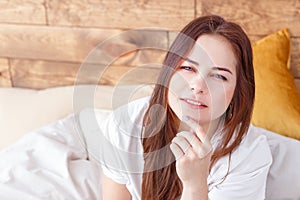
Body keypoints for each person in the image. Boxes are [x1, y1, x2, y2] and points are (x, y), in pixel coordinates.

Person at [101, 15, 272, 200]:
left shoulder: (249, 155)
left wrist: (195, 184)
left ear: (238, 91)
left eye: (219, 77)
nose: (198, 86)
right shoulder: (123, 125)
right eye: (188, 69)